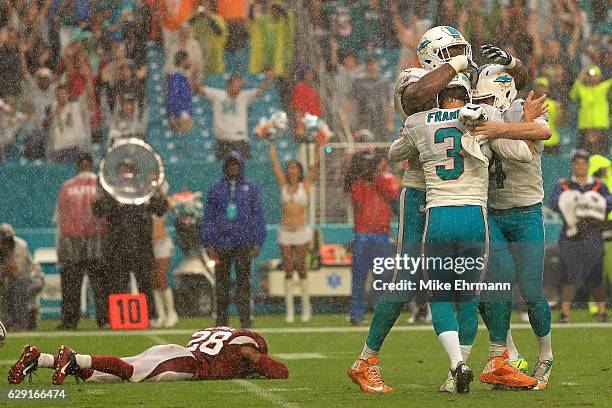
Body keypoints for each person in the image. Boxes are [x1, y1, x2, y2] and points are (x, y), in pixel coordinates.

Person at [398, 75, 536, 393]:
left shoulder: (421, 121)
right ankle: (477, 363)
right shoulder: (481, 117)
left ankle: (458, 365)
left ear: (439, 95)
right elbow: (524, 154)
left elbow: (395, 154)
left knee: (442, 297)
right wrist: (523, 123)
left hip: (440, 216)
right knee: (471, 299)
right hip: (476, 217)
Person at [469, 65, 553, 391]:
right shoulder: (478, 116)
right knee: (492, 288)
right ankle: (508, 355)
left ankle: (545, 353)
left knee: (531, 291)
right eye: (480, 99)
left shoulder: (524, 108)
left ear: (504, 92)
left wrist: (497, 129)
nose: (484, 105)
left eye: (489, 97)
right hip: (492, 211)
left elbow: (541, 135)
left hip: (527, 211)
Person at [8, 327, 288, 385]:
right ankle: (76, 358)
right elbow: (279, 372)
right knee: (130, 372)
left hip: (175, 351)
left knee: (109, 378)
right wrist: (257, 360)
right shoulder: (247, 345)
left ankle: (40, 358)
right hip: (187, 363)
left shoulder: (220, 332)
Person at [92, 165, 169, 325]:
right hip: (118, 247)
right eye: (122, 170)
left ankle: (151, 316)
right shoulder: (112, 192)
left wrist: (157, 190)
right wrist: (102, 195)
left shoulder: (144, 191)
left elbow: (161, 208)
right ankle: (119, 318)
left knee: (145, 282)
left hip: (141, 245)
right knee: (118, 284)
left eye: (129, 170)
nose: (126, 174)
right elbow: (98, 210)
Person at [202, 152, 267, 328]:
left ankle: (245, 321)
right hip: (221, 243)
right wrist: (208, 242)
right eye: (230, 165)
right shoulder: (216, 188)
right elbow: (209, 216)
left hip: (243, 243)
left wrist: (258, 241)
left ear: (241, 167)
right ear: (225, 167)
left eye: (236, 165)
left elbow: (258, 215)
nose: (233, 168)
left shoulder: (250, 188)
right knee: (221, 285)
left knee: (243, 285)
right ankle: (221, 322)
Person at [549, 151, 612, 323]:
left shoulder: (599, 186)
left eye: (583, 163)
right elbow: (553, 203)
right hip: (570, 237)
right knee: (568, 276)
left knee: (597, 277)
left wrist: (588, 205)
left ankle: (602, 313)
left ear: (588, 165)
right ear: (572, 165)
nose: (580, 166)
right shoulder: (563, 185)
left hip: (593, 236)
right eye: (577, 163)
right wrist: (577, 204)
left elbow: (608, 204)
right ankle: (564, 313)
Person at [268, 137, 322, 323]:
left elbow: (315, 166)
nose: (292, 171)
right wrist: (272, 143)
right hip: (285, 231)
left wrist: (318, 146)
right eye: (289, 167)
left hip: (301, 230)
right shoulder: (284, 185)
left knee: (301, 267)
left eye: (295, 168)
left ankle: (306, 307)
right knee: (288, 269)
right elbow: (274, 164)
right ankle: (290, 310)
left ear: (299, 171)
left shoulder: (304, 185)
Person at [54, 152, 109, 330]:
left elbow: (60, 218)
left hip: (71, 239)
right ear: (90, 164)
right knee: (99, 283)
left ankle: (70, 320)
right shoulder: (101, 184)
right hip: (97, 238)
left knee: (71, 283)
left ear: (78, 165)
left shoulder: (67, 186)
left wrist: (60, 246)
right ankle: (104, 319)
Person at [344, 149, 399, 326]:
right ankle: (356, 315)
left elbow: (392, 194)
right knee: (359, 277)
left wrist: (375, 177)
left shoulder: (386, 179)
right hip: (363, 235)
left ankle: (380, 314)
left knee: (382, 277)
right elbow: (357, 201)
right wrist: (364, 178)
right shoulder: (358, 182)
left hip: (380, 235)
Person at [198, 71, 274, 160]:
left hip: (240, 141)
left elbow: (259, 91)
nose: (239, 88)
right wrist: (194, 72)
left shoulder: (244, 96)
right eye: (236, 85)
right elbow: (201, 89)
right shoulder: (218, 95)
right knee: (222, 169)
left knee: (244, 168)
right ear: (229, 85)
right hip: (223, 141)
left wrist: (268, 80)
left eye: (240, 86)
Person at [0, 224, 44, 331]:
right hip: (13, 281)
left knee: (18, 287)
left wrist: (6, 260)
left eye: (5, 241)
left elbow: (16, 273)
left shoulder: (20, 246)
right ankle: (29, 317)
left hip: (32, 278)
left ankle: (21, 323)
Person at [343, 56, 393, 142]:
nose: (372, 66)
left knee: (381, 147)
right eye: (369, 64)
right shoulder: (358, 82)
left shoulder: (384, 82)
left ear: (378, 65)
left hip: (380, 120)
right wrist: (344, 114)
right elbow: (349, 99)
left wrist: (390, 121)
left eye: (374, 63)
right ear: (366, 66)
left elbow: (390, 103)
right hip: (362, 119)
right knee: (363, 146)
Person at [150, 181, 178, 329]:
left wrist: (162, 192)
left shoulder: (163, 203)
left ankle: (172, 313)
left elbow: (173, 207)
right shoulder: (147, 203)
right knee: (154, 281)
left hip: (162, 243)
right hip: (150, 244)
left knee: (161, 279)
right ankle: (161, 314)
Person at [45, 82, 92, 163]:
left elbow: (88, 94)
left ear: (68, 94)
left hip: (74, 148)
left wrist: (87, 78)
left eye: (63, 93)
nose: (61, 96)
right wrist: (51, 119)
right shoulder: (52, 109)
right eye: (59, 94)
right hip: (58, 151)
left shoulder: (75, 106)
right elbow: (45, 128)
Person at [570, 66, 611, 154]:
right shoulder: (582, 89)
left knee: (603, 152)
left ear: (599, 77)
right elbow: (572, 96)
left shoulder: (603, 87)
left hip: (601, 126)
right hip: (585, 126)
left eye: (594, 75)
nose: (592, 78)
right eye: (589, 75)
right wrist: (580, 78)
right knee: (582, 154)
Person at [166, 50, 194, 135]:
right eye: (188, 59)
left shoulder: (183, 76)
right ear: (182, 61)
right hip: (180, 117)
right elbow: (174, 97)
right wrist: (181, 114)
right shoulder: (176, 77)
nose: (190, 61)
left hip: (184, 114)